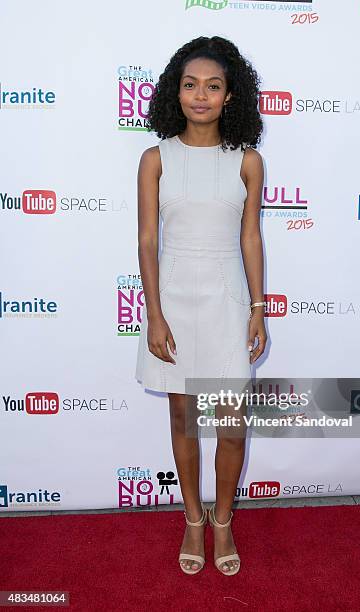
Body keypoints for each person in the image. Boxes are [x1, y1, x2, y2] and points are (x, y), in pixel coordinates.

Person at [135, 36, 267, 576]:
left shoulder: (247, 161)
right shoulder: (154, 159)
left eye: (213, 86)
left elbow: (251, 239)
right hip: (176, 301)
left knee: (232, 424)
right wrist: (155, 314)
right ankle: (193, 517)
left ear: (231, 96)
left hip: (228, 301)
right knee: (184, 420)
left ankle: (223, 519)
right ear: (175, 92)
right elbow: (147, 242)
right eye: (190, 85)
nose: (200, 95)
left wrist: (259, 307)